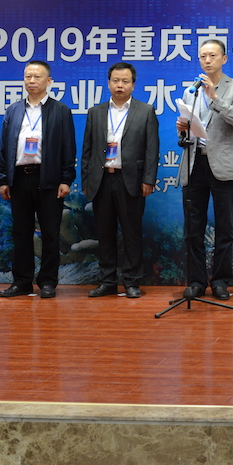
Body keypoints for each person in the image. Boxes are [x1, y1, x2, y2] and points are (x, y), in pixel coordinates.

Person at [0, 60, 77, 299]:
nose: (31, 81)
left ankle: (48, 281)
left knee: (50, 233)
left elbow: (68, 148)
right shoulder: (13, 110)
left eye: (37, 77)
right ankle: (22, 282)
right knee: (21, 233)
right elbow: (4, 148)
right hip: (20, 179)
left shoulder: (60, 111)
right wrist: (3, 179)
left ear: (48, 81)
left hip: (48, 178)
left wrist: (66, 179)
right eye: (28, 76)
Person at [176, 39, 233, 301]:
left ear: (224, 59)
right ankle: (196, 281)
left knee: (224, 227)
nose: (207, 60)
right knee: (193, 228)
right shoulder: (191, 91)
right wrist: (182, 130)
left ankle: (220, 280)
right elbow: (187, 134)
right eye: (203, 56)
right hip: (194, 163)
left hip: (222, 165)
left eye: (212, 55)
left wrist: (215, 98)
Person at [82, 62, 159, 298]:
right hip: (101, 180)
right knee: (104, 234)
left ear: (133, 85)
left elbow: (151, 149)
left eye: (125, 81)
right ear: (108, 83)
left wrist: (148, 179)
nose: (120, 85)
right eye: (115, 80)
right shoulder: (95, 112)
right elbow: (87, 150)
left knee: (131, 234)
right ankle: (107, 281)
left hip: (131, 181)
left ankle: (131, 281)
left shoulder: (145, 111)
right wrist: (86, 179)